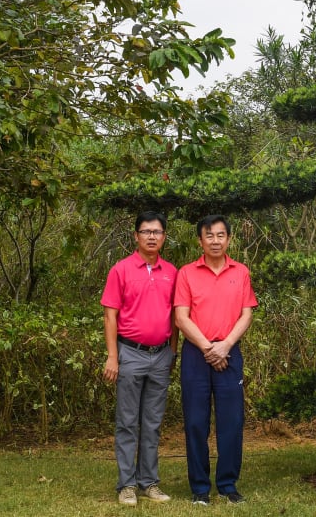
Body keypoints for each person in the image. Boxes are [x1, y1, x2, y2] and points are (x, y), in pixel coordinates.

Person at [174, 214, 258, 506]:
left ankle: (227, 485)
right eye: (209, 236)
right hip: (197, 354)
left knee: (231, 422)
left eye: (220, 235)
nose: (215, 241)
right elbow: (181, 317)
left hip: (230, 354)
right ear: (200, 240)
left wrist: (226, 346)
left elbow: (247, 313)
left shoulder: (241, 272)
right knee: (196, 422)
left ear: (229, 239)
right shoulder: (186, 273)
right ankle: (199, 488)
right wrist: (210, 348)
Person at [100, 211, 178, 506]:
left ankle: (149, 482)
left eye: (157, 232)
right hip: (129, 353)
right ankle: (127, 485)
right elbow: (110, 315)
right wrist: (113, 357)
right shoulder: (120, 270)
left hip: (161, 356)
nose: (151, 236)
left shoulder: (172, 271)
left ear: (164, 237)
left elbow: (175, 316)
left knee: (153, 422)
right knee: (127, 422)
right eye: (145, 231)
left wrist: (173, 350)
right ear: (136, 236)